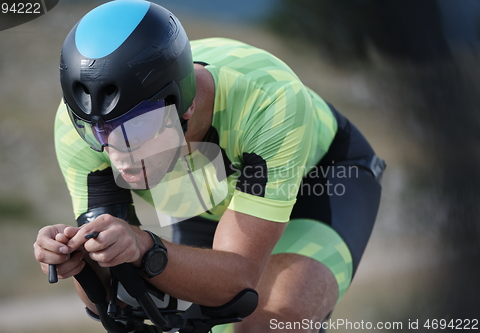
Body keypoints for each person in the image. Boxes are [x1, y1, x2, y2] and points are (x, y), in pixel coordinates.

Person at [33, 1, 385, 332]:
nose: (116, 154)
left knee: (271, 319)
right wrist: (80, 260)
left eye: (135, 129)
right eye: (97, 132)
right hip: (207, 187)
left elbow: (237, 280)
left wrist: (143, 246)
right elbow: (113, 304)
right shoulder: (78, 130)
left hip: (321, 179)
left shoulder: (269, 102)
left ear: (183, 104)